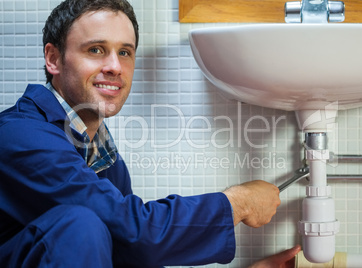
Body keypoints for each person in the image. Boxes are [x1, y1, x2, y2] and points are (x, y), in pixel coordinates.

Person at [0, 0, 299, 267]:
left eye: (125, 52)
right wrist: (238, 202)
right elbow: (137, 231)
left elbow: (133, 252)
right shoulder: (19, 136)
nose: (115, 66)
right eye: (95, 50)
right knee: (81, 224)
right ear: (53, 59)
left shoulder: (101, 154)